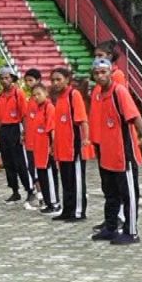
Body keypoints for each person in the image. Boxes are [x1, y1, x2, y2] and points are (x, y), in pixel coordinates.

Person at [89, 57, 142, 245]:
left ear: (110, 73)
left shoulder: (119, 91)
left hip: (123, 154)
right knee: (110, 193)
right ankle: (111, 227)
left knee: (129, 195)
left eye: (104, 72)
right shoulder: (98, 94)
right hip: (106, 154)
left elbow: (135, 116)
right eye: (97, 73)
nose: (100, 76)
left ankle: (132, 231)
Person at [49, 67, 90, 222]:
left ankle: (79, 212)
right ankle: (67, 210)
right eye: (53, 80)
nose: (55, 83)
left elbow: (82, 121)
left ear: (67, 79)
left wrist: (85, 140)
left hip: (75, 147)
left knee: (76, 181)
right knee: (66, 180)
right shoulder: (59, 98)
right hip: (63, 148)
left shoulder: (74, 95)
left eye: (59, 79)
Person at [0, 66, 34, 204]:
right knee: (8, 162)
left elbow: (24, 116)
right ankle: (15, 191)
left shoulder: (18, 94)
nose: (4, 81)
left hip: (16, 129)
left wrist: (25, 133)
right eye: (2, 78)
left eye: (7, 78)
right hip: (4, 130)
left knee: (20, 162)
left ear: (12, 79)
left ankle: (29, 190)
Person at [25, 83, 58, 214]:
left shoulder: (49, 108)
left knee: (49, 176)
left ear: (46, 93)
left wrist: (53, 146)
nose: (36, 97)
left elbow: (52, 129)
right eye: (34, 95)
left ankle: (54, 203)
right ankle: (48, 202)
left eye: (39, 94)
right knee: (42, 176)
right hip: (38, 149)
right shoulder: (38, 109)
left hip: (46, 149)